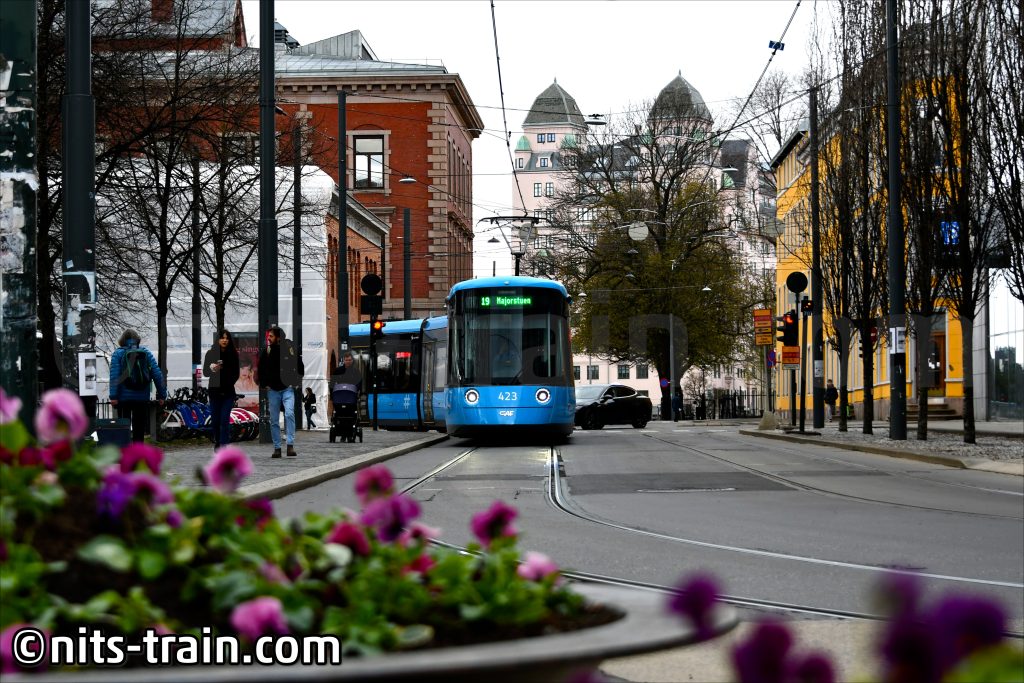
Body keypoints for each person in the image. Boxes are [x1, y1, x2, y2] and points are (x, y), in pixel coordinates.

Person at [109, 329, 166, 443]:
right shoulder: (146, 353)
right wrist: (162, 395)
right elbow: (157, 375)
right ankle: (138, 451)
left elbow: (115, 376)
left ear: (122, 340)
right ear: (137, 340)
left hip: (124, 399)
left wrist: (113, 396)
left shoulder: (118, 353)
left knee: (124, 428)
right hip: (142, 397)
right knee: (139, 428)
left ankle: (125, 450)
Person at [258, 326, 304, 458]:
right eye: (269, 336)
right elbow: (261, 368)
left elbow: (299, 365)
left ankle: (290, 445)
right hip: (273, 390)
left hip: (287, 388)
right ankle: (277, 447)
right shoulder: (267, 351)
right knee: (274, 420)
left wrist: (296, 382)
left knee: (289, 414)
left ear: (278, 337)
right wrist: (264, 384)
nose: (268, 338)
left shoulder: (289, 348)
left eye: (271, 336)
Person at [203, 330, 240, 450]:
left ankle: (224, 445)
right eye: (222, 338)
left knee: (224, 419)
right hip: (214, 392)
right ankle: (218, 441)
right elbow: (205, 372)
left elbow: (236, 373)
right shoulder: (211, 353)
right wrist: (213, 369)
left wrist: (228, 382)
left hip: (228, 392)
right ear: (218, 340)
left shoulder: (233, 354)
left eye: (227, 338)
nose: (224, 340)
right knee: (215, 420)